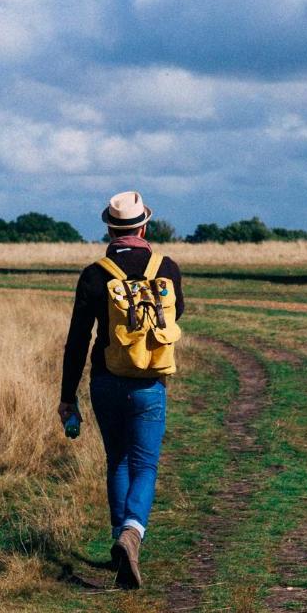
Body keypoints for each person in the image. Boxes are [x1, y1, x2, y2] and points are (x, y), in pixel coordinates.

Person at [58, 190, 185, 589]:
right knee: (145, 464)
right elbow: (174, 315)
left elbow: (78, 340)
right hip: (149, 381)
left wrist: (67, 396)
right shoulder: (168, 269)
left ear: (110, 229)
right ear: (144, 225)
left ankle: (120, 543)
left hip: (106, 380)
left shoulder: (95, 273)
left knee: (117, 461)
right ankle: (132, 533)